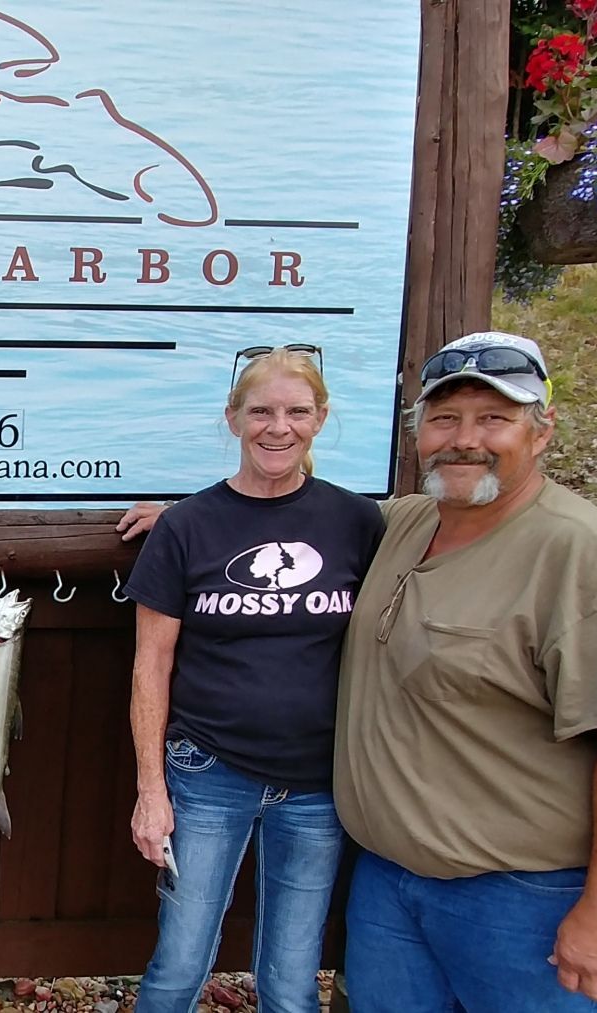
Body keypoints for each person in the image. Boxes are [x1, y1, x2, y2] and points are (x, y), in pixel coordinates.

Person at [335, 331, 597, 1011]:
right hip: (391, 883)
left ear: (542, 431)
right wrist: (187, 520)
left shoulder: (593, 560)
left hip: (527, 900)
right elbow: (285, 522)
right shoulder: (408, 522)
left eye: (494, 418)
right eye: (444, 418)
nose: (464, 438)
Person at [121, 346, 384, 1013]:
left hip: (319, 784)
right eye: (261, 410)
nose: (278, 426)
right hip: (208, 771)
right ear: (233, 417)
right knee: (179, 962)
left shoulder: (357, 521)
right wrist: (152, 791)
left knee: (293, 980)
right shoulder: (186, 527)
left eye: (297, 411)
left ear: (321, 419)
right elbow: (151, 665)